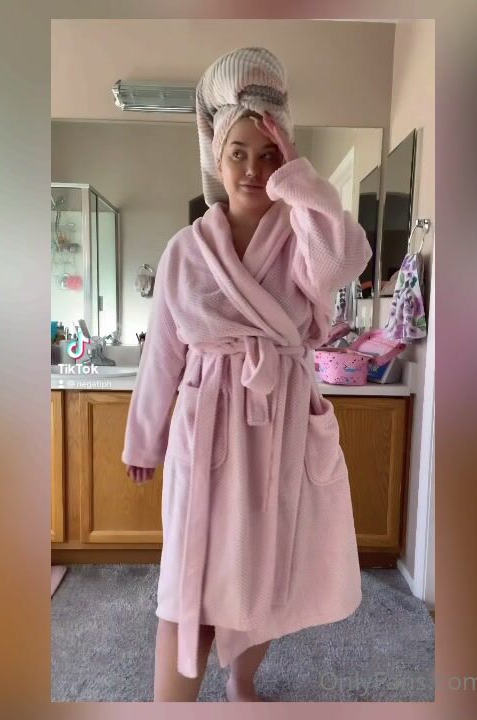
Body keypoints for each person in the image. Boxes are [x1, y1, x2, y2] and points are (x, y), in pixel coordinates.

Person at [122, 47, 373, 702]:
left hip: (279, 428)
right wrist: (143, 439)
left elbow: (346, 261)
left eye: (268, 155)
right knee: (190, 584)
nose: (253, 170)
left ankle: (242, 682)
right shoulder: (185, 250)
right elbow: (163, 354)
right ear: (217, 156)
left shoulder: (304, 236)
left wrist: (300, 180)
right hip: (206, 427)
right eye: (238, 153)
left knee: (265, 580)